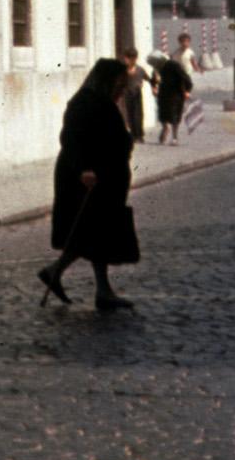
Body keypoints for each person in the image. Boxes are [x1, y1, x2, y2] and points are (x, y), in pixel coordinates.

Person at [39, 54, 140, 312]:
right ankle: (89, 285)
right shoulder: (83, 103)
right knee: (90, 231)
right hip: (86, 180)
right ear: (106, 80)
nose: (122, 89)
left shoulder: (104, 101)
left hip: (105, 179)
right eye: (118, 83)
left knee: (96, 234)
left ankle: (98, 288)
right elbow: (71, 139)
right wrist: (83, 169)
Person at [151, 41, 192, 144]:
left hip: (175, 93)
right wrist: (154, 87)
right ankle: (171, 133)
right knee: (169, 114)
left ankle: (173, 135)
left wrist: (187, 90)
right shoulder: (159, 67)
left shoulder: (174, 65)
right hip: (167, 94)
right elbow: (154, 78)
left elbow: (185, 78)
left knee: (169, 114)